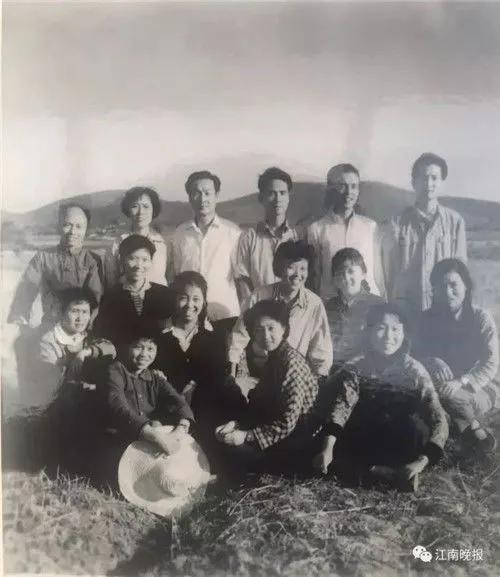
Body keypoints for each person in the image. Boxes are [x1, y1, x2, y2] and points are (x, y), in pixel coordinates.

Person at [313, 303, 448, 490]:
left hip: (400, 438)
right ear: (369, 331)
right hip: (367, 436)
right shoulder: (358, 366)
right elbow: (343, 406)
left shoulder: (415, 370)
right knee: (342, 436)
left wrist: (421, 462)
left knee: (415, 429)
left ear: (404, 333)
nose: (388, 337)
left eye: (395, 329)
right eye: (381, 328)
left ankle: (393, 470)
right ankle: (388, 474)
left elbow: (438, 416)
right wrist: (327, 449)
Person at [216, 300, 323, 473]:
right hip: (276, 428)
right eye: (259, 330)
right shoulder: (273, 358)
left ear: (284, 329)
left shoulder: (291, 363)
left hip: (297, 436)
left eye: (271, 328)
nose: (265, 335)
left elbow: (288, 421)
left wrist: (246, 435)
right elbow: (259, 405)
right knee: (222, 439)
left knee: (233, 452)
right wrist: (236, 424)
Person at [416, 259, 498, 453]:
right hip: (440, 385)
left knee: (449, 398)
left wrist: (461, 381)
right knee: (426, 397)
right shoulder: (426, 319)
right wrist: (431, 360)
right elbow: (414, 354)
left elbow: (491, 362)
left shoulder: (480, 318)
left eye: (453, 285)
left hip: (480, 386)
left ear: (466, 286)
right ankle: (463, 428)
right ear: (434, 290)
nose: (447, 292)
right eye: (441, 286)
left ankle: (477, 436)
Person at [98, 333, 195, 484]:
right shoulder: (116, 370)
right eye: (138, 347)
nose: (144, 354)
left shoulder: (155, 377)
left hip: (148, 440)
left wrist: (180, 430)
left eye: (150, 349)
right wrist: (156, 436)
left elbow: (179, 402)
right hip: (119, 437)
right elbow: (117, 405)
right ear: (127, 348)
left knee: (166, 468)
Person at [227, 240, 333, 378]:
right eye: (291, 267)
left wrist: (314, 381)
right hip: (258, 372)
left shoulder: (315, 304)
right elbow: (238, 338)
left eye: (302, 269)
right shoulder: (260, 295)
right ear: (280, 268)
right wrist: (232, 375)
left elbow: (321, 352)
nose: (297, 274)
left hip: (294, 374)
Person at [381, 152, 467, 313]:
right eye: (423, 177)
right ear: (414, 182)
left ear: (442, 182)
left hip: (442, 310)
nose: (429, 183)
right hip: (406, 312)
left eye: (434, 178)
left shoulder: (455, 222)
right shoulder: (396, 224)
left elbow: (461, 273)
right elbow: (388, 274)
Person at [154, 271, 236, 428]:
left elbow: (218, 375)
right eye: (183, 298)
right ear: (174, 299)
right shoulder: (158, 335)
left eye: (196, 299)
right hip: (166, 409)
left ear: (204, 302)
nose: (190, 305)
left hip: (205, 411)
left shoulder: (216, 336)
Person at [8, 203, 102, 328]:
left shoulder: (93, 261)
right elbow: (25, 291)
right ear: (59, 226)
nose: (72, 231)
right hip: (50, 327)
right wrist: (19, 319)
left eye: (79, 226)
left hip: (84, 329)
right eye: (67, 225)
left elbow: (97, 300)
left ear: (85, 230)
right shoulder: (43, 258)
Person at [168, 171, 241, 324]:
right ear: (190, 197)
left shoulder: (233, 232)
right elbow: (176, 275)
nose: (202, 199)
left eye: (207, 193)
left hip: (224, 314)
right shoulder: (180, 233)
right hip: (189, 316)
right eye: (196, 193)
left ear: (216, 196)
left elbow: (240, 278)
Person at [306, 163, 385, 301]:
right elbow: (315, 277)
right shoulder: (317, 229)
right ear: (331, 189)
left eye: (354, 186)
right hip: (332, 304)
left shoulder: (371, 226)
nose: (349, 192)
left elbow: (378, 273)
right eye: (342, 186)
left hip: (368, 304)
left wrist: (383, 302)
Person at [94, 235, 174, 350]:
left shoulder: (164, 294)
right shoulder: (110, 297)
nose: (139, 265)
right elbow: (104, 337)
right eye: (132, 258)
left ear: (151, 262)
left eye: (145, 260)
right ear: (122, 261)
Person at [234, 167, 298, 302]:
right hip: (259, 309)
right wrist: (252, 310)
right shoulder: (249, 237)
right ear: (261, 198)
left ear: (288, 197)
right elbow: (243, 280)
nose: (278, 199)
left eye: (282, 193)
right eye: (271, 193)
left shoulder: (297, 237)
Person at [326, 248, 384, 366]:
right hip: (332, 367)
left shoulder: (379, 305)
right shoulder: (326, 307)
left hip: (366, 368)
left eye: (351, 271)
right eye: (340, 273)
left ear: (363, 274)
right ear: (334, 279)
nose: (346, 278)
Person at [104, 187, 168, 288]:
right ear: (128, 210)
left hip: (160, 295)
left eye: (146, 206)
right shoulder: (118, 243)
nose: (141, 212)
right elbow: (111, 280)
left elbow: (169, 275)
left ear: (153, 210)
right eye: (135, 206)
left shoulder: (163, 242)